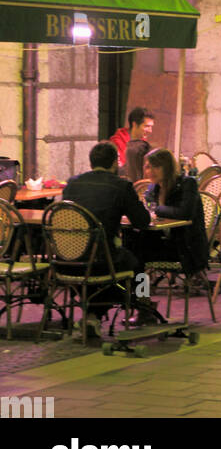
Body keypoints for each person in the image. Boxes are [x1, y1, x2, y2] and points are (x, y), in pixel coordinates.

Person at [61, 141, 152, 335]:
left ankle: (94, 315)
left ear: (91, 162)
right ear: (115, 163)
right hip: (102, 260)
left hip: (68, 259)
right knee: (138, 263)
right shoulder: (121, 185)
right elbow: (142, 221)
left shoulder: (72, 184)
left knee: (109, 261)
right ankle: (143, 303)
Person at [133, 148, 209, 276]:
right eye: (148, 167)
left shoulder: (187, 184)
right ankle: (138, 292)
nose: (150, 172)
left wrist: (157, 210)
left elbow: (184, 213)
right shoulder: (153, 187)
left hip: (186, 247)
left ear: (167, 167)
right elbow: (148, 209)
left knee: (136, 250)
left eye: (155, 167)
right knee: (132, 243)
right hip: (165, 241)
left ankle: (139, 291)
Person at [122, 107, 155, 182]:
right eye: (146, 126)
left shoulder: (132, 145)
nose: (150, 131)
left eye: (151, 127)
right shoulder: (142, 147)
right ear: (134, 124)